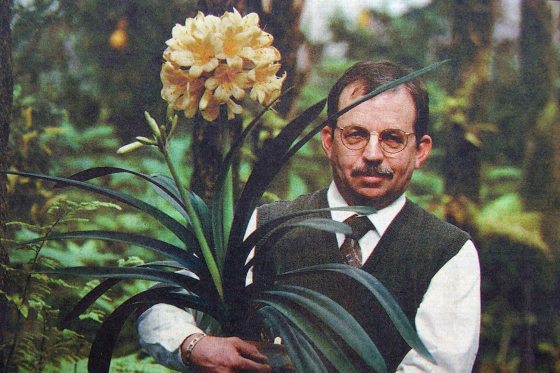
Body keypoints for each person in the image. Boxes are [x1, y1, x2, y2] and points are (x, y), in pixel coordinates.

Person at [136, 60, 481, 372]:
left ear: (420, 151)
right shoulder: (262, 226)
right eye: (356, 135)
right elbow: (161, 303)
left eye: (392, 138)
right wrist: (195, 346)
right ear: (329, 141)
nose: (373, 154)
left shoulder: (447, 252)